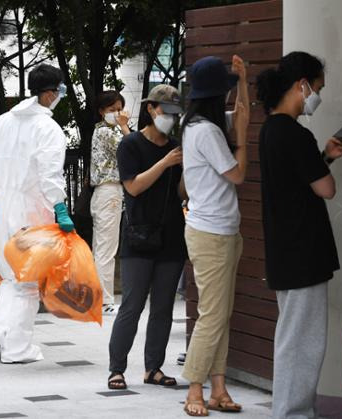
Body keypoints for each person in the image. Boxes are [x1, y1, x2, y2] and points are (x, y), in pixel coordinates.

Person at [256, 51, 342, 419]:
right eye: (317, 88)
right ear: (301, 85)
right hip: (303, 253)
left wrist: (324, 156)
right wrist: (323, 161)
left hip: (285, 251)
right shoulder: (295, 133)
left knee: (293, 338)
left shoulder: (270, 130)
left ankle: (291, 410)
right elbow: (326, 189)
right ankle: (293, 413)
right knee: (303, 343)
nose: (317, 96)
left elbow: (299, 181)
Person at [0, 63, 74, 363]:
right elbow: (50, 172)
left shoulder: (2, 121)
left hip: (3, 206)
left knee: (11, 276)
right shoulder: (48, 128)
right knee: (27, 278)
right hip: (32, 209)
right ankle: (16, 348)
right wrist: (60, 207)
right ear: (51, 92)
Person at [180, 55, 250, 416]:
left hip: (219, 231)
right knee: (212, 315)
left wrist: (242, 81)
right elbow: (237, 175)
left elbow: (241, 118)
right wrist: (243, 147)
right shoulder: (205, 131)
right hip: (212, 234)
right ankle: (194, 390)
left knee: (220, 314)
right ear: (215, 93)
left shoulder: (201, 124)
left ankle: (218, 390)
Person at [107, 84, 188, 390]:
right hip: (138, 235)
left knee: (164, 307)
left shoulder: (177, 145)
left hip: (171, 235)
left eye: (174, 114)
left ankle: (153, 368)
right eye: (165, 111)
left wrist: (188, 171)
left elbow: (181, 193)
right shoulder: (130, 145)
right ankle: (117, 369)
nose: (170, 118)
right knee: (132, 304)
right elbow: (133, 187)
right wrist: (165, 162)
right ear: (152, 109)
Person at [90, 90, 130, 316]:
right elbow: (133, 147)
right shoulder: (107, 132)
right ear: (101, 111)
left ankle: (99, 298)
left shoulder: (102, 131)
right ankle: (104, 301)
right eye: (112, 110)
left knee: (101, 248)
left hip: (105, 194)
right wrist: (125, 127)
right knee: (106, 249)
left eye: (119, 109)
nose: (117, 113)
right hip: (110, 191)